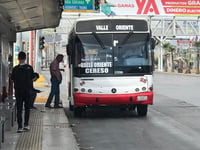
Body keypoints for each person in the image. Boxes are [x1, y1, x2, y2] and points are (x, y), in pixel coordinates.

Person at [11, 51, 35, 133]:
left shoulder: (15, 69)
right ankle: (26, 125)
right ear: (25, 58)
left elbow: (12, 79)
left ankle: (19, 127)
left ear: (18, 59)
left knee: (19, 109)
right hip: (27, 91)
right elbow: (33, 78)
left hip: (18, 92)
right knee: (27, 108)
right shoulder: (29, 68)